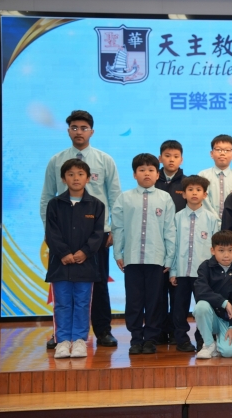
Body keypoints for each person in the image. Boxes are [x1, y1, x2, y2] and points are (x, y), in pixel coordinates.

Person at [40, 110, 121, 349]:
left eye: (84, 128)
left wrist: (114, 229)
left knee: (99, 284)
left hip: (97, 234)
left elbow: (115, 197)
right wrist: (49, 231)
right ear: (68, 131)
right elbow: (47, 197)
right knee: (63, 287)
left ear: (91, 132)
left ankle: (103, 331)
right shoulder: (56, 161)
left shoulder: (105, 160)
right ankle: (61, 334)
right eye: (74, 128)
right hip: (63, 234)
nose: (79, 132)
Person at [111, 153, 176, 355]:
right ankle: (136, 338)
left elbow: (169, 230)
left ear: (157, 174)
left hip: (156, 259)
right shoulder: (125, 198)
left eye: (151, 170)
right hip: (132, 259)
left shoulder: (165, 198)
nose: (146, 173)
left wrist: (169, 257)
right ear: (134, 174)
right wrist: (118, 253)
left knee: (155, 301)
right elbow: (118, 228)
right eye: (141, 170)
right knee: (134, 300)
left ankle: (151, 339)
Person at [45, 159, 105, 358]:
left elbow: (98, 234)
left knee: (82, 303)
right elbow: (51, 232)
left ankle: (79, 341)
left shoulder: (96, 205)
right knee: (62, 304)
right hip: (60, 264)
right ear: (63, 179)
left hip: (85, 264)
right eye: (70, 174)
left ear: (88, 178)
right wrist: (63, 253)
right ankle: (62, 341)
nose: (75, 178)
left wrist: (85, 252)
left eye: (80, 174)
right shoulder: (54, 204)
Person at [170, 176, 219, 352]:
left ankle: (203, 339)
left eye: (198, 190)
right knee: (179, 308)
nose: (194, 193)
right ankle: (181, 339)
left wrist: (213, 273)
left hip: (203, 274)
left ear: (205, 194)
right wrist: (173, 271)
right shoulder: (176, 218)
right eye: (190, 190)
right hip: (182, 271)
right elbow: (173, 245)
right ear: (183, 194)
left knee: (203, 307)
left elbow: (215, 249)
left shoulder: (212, 219)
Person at [192, 230, 232, 359]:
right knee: (201, 306)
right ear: (213, 250)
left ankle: (220, 343)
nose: (226, 255)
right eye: (221, 250)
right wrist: (224, 303)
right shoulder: (205, 267)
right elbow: (201, 291)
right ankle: (209, 344)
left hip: (228, 320)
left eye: (230, 250)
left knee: (229, 353)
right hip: (211, 316)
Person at [155, 140, 187, 345]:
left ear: (181, 159)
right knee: (158, 292)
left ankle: (176, 331)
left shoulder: (187, 183)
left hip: (181, 246)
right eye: (167, 156)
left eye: (175, 156)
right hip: (157, 246)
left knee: (177, 292)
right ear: (160, 158)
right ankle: (158, 331)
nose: (171, 160)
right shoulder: (152, 180)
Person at [198, 134, 232, 221]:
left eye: (227, 150)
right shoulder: (202, 176)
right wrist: (215, 219)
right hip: (207, 222)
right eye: (218, 150)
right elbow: (203, 201)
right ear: (211, 154)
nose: (222, 153)